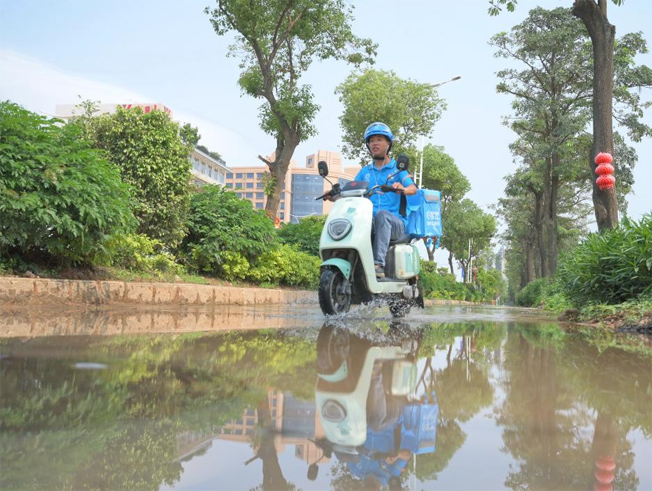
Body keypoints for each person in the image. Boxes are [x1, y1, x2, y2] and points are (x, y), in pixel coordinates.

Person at [354, 122, 417, 278]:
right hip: (372, 221)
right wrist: (334, 194)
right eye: (372, 140)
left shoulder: (398, 170)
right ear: (368, 145)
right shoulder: (365, 171)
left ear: (388, 143)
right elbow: (352, 190)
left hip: (396, 224)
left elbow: (413, 189)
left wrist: (401, 189)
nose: (375, 143)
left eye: (380, 139)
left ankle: (378, 265)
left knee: (382, 215)